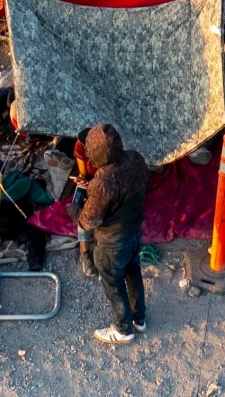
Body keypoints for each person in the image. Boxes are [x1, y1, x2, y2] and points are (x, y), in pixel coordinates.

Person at [73, 123, 149, 343]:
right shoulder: (136, 159)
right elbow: (141, 185)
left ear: (95, 154)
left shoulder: (102, 182)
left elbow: (89, 220)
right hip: (135, 230)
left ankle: (123, 329)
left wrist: (75, 209)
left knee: (113, 283)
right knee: (133, 272)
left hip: (112, 242)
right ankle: (139, 319)